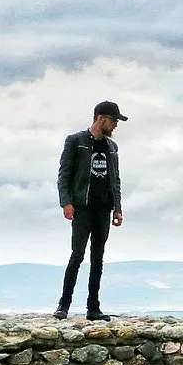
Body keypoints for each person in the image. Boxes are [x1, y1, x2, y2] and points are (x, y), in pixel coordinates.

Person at [54, 101, 127, 321]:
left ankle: (93, 308)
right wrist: (66, 202)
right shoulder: (76, 142)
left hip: (103, 210)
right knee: (77, 256)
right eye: (114, 120)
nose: (115, 125)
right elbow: (63, 175)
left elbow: (115, 180)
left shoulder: (112, 148)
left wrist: (117, 208)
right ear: (101, 118)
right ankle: (63, 306)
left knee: (98, 259)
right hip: (82, 209)